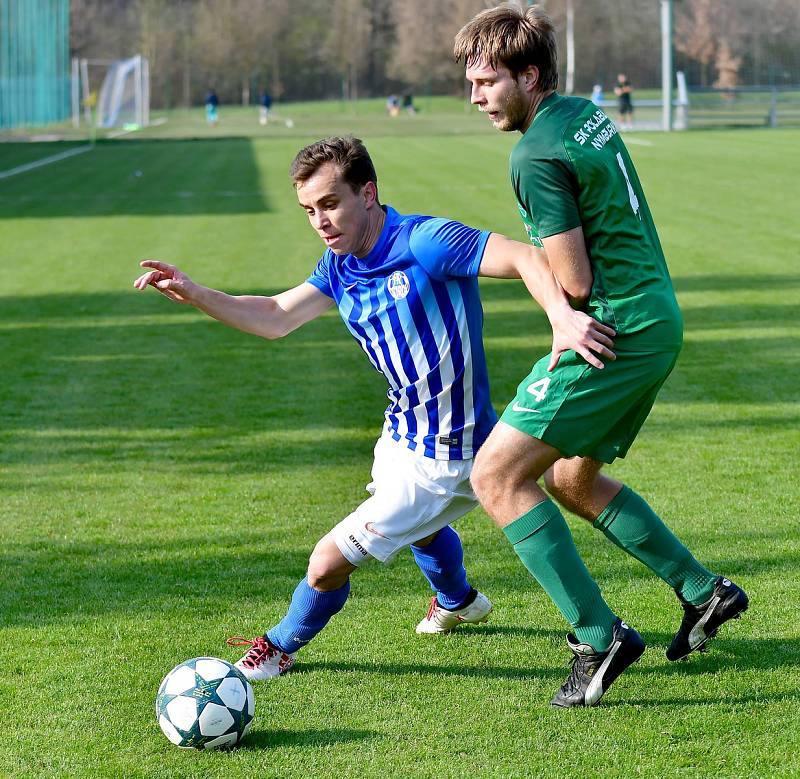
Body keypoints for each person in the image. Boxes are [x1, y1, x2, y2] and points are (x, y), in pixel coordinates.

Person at [133, 135, 615, 682]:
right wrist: (195, 292)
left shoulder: (427, 241)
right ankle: (458, 600)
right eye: (309, 210)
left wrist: (560, 316)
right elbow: (273, 316)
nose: (320, 221)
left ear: (368, 192)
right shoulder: (340, 265)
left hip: (449, 458)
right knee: (424, 531)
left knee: (326, 563)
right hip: (401, 435)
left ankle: (277, 646)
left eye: (330, 204)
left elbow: (525, 255)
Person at [455, 5, 748, 708]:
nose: (476, 96)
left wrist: (556, 304)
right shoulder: (582, 112)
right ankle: (705, 593)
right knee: (570, 478)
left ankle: (598, 635)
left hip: (612, 329)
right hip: (657, 318)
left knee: (495, 475)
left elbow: (577, 280)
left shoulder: (532, 155)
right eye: (470, 82)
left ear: (528, 76)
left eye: (488, 81)